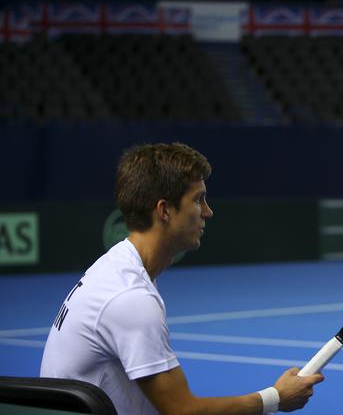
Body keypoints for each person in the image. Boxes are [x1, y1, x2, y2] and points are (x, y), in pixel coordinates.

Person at [40, 142, 324, 414]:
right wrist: (275, 398)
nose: (208, 212)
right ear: (164, 210)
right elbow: (182, 411)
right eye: (198, 200)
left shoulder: (116, 268)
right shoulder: (131, 299)